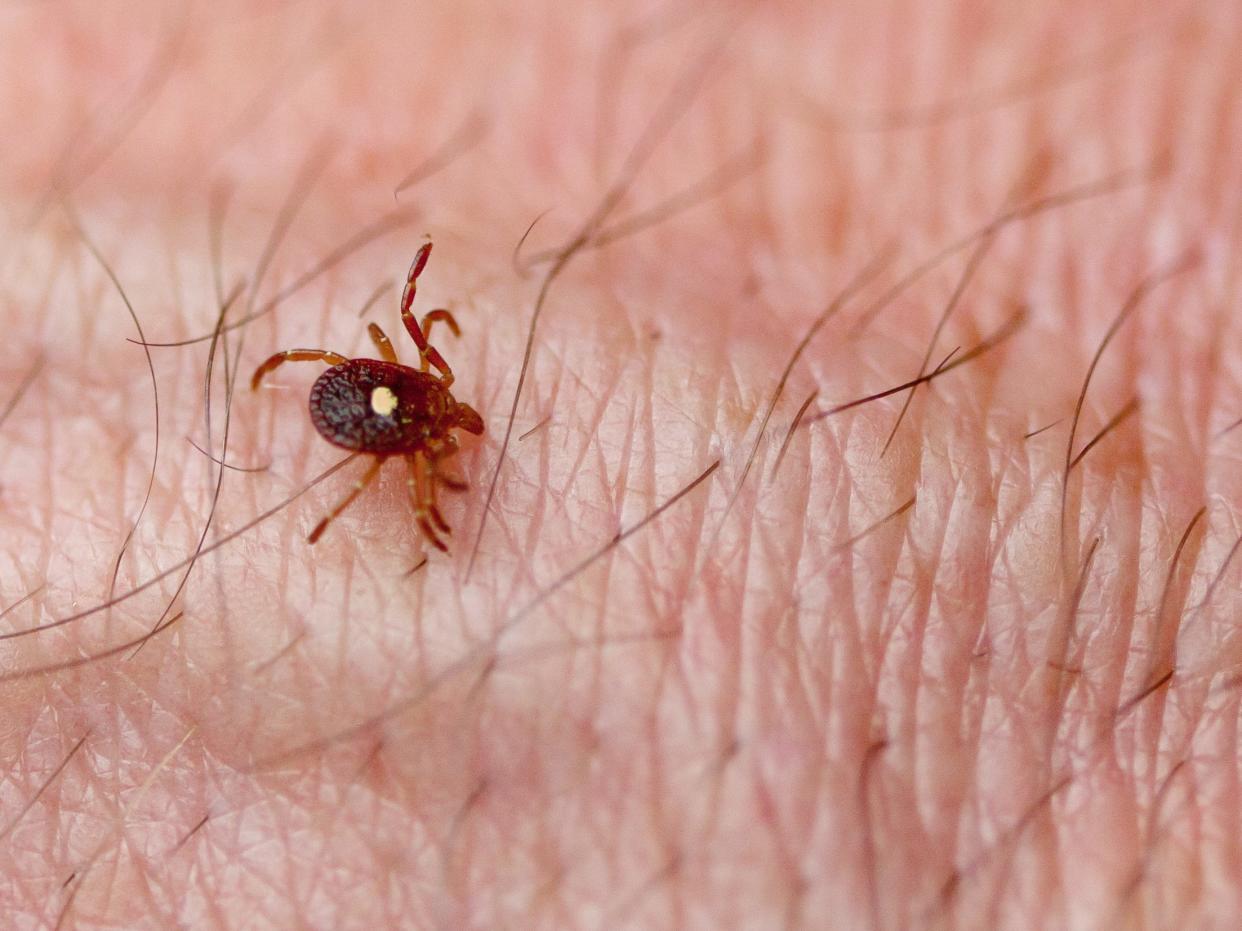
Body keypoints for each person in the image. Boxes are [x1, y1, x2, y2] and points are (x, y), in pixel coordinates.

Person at [0, 1, 1234, 927]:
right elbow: (397, 388)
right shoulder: (408, 424)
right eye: (435, 415)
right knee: (357, 438)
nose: (445, 414)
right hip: (344, 406)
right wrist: (391, 490)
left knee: (361, 389)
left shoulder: (413, 408)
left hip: (343, 401)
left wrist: (359, 418)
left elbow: (396, 360)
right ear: (424, 406)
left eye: (434, 409)